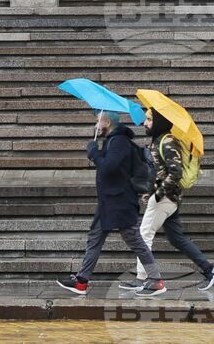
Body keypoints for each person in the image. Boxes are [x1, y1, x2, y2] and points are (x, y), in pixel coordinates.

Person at [57, 110, 167, 297]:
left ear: (107, 122)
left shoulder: (120, 142)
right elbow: (110, 165)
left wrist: (93, 152)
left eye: (98, 122)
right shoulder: (113, 141)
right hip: (109, 201)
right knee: (95, 238)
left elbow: (109, 167)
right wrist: (98, 152)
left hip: (120, 202)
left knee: (134, 239)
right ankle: (82, 281)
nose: (96, 126)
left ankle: (156, 280)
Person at [121, 108, 214, 291]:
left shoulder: (168, 141)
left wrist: (158, 194)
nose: (145, 123)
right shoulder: (158, 141)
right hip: (167, 197)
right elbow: (159, 172)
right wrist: (149, 191)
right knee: (176, 238)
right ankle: (210, 270)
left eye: (150, 120)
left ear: (159, 121)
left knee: (144, 235)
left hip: (165, 198)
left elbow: (175, 173)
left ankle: (144, 278)